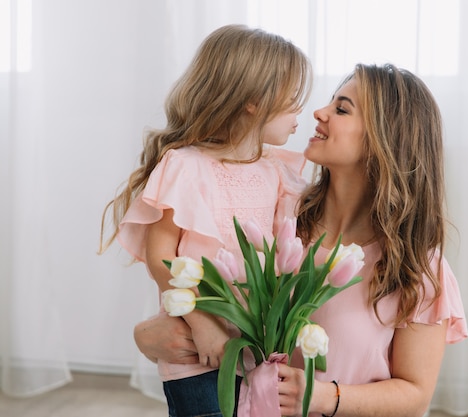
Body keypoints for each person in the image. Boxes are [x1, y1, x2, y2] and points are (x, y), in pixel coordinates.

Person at [134, 63, 468, 417]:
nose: (319, 113)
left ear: (385, 139)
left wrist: (323, 397)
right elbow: (201, 288)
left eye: (341, 109)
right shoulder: (277, 220)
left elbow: (415, 393)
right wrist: (146, 336)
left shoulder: (416, 266)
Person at [99, 24, 312, 417]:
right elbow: (160, 254)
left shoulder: (279, 172)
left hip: (259, 349)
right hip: (197, 352)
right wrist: (201, 321)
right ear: (253, 101)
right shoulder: (186, 166)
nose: (301, 111)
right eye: (292, 100)